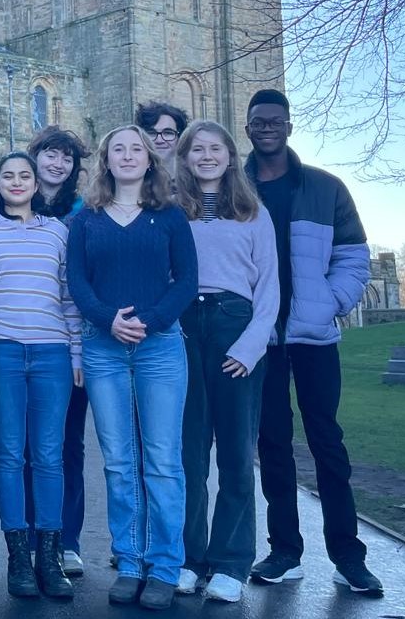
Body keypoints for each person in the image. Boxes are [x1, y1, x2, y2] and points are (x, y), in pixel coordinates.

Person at [243, 89, 382, 596]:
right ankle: (285, 551)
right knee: (273, 445)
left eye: (275, 120)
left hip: (314, 336)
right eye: (259, 121)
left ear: (288, 126)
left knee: (327, 443)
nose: (267, 128)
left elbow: (353, 255)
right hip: (261, 339)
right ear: (248, 127)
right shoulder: (236, 188)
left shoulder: (325, 187)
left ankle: (348, 555)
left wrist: (331, 301)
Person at [66, 124, 197, 610]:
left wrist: (152, 320)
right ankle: (129, 561)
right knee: (119, 462)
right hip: (103, 348)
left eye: (135, 149)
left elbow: (187, 281)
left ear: (149, 159)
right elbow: (77, 282)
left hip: (160, 347)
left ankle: (164, 565)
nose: (126, 155)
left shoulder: (169, 217)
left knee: (162, 460)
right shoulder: (86, 220)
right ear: (105, 160)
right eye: (117, 149)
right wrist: (108, 320)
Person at [171, 121, 279, 603]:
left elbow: (270, 288)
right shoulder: (173, 211)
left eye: (216, 148)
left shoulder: (253, 212)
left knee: (236, 453)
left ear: (231, 157)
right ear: (186, 157)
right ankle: (191, 559)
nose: (207, 155)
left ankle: (231, 562)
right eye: (198, 149)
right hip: (184, 326)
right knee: (187, 453)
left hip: (236, 326)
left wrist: (250, 346)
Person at [0, 153, 79, 600]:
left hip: (52, 352)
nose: (17, 182)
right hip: (2, 352)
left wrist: (75, 353)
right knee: (9, 454)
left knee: (49, 455)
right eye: (8, 176)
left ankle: (49, 557)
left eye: (25, 176)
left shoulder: (57, 231)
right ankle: (18, 557)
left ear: (37, 185)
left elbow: (68, 295)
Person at [24, 124, 92, 577]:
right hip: (22, 342)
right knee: (28, 445)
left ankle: (66, 539)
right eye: (50, 154)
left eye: (66, 158)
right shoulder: (11, 208)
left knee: (68, 444)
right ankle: (31, 537)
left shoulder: (85, 213)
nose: (57, 163)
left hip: (71, 342)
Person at [26, 125, 88, 221]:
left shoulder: (82, 209)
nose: (58, 165)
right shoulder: (18, 201)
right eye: (51, 156)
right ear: (35, 157)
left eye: (67, 160)